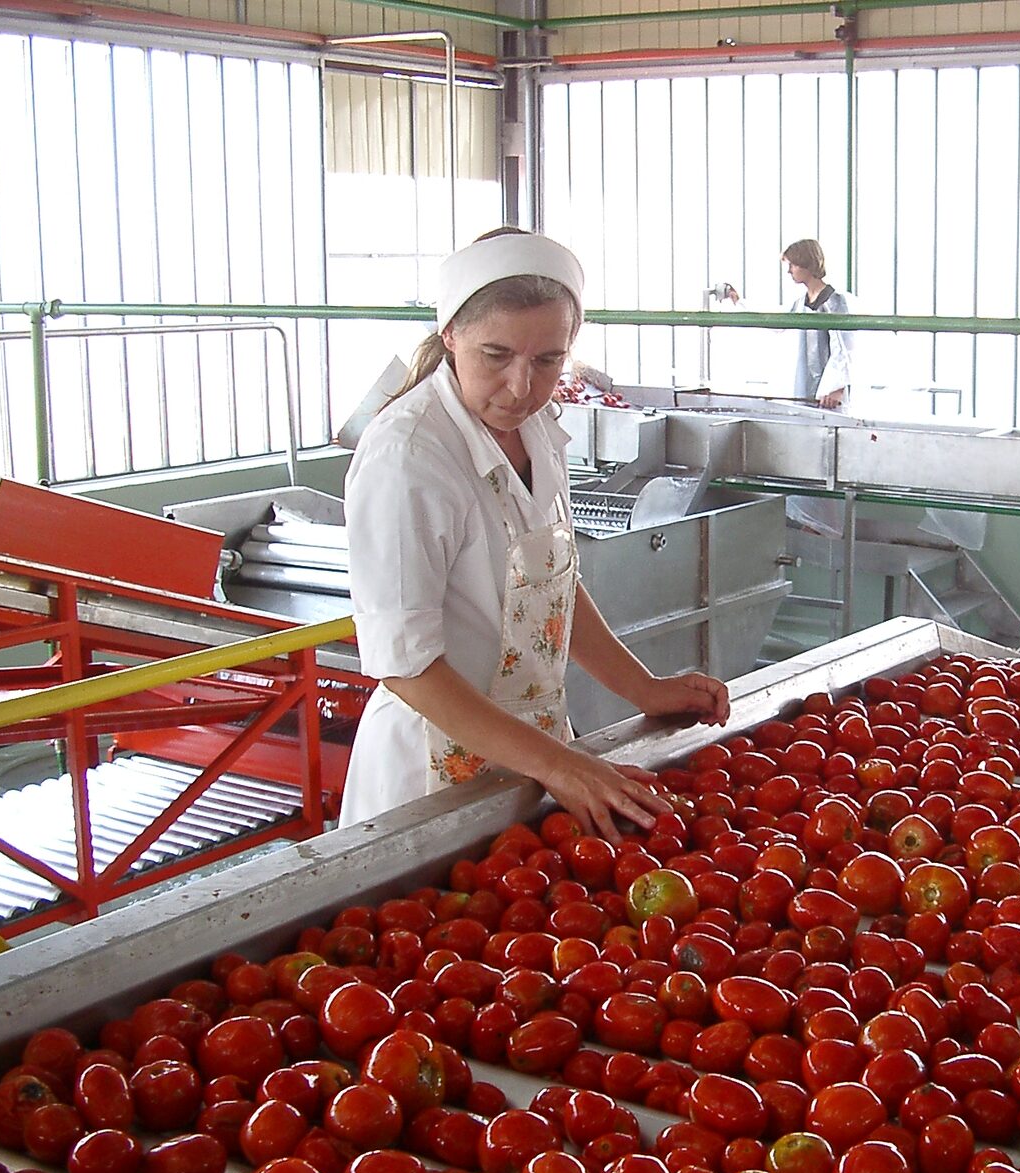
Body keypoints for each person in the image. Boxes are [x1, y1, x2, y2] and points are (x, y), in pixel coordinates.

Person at [339, 228, 730, 838]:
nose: (522, 386)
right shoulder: (409, 456)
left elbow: (551, 585)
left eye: (548, 360)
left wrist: (644, 689)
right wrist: (559, 766)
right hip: (430, 775)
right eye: (495, 356)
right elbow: (405, 666)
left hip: (532, 760)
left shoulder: (539, 426)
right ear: (451, 338)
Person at [783, 239, 854, 410]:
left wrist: (836, 387)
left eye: (793, 265)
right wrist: (738, 302)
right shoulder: (800, 303)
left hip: (829, 396)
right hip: (805, 391)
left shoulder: (835, 302)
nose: (789, 270)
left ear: (806, 263)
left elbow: (844, 348)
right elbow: (774, 322)